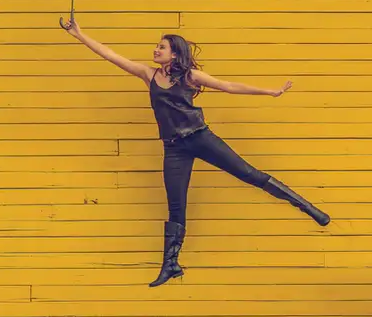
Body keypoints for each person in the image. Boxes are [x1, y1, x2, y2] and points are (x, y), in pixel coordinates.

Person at [58, 17, 330, 287]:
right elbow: (110, 55)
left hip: (200, 138)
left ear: (174, 54)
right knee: (176, 206)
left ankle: (306, 206)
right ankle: (171, 264)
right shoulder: (148, 74)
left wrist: (270, 92)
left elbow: (229, 86)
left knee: (249, 174)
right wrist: (79, 35)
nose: (155, 50)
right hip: (174, 148)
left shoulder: (190, 76)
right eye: (157, 46)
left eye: (161, 47)